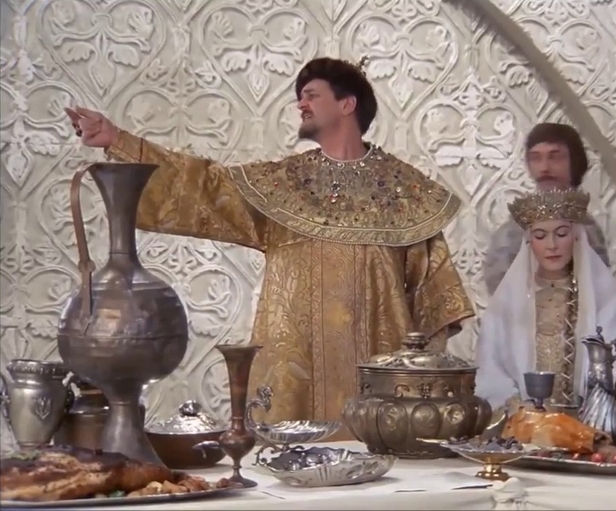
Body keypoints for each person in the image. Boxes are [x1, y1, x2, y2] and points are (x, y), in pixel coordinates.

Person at [65, 57, 475, 424]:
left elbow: (435, 299)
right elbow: (204, 188)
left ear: (347, 104)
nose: (301, 104)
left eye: (311, 95)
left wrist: (423, 393)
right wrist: (117, 140)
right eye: (300, 97)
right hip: (293, 384)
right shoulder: (283, 184)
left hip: (380, 393)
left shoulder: (407, 193)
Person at [474, 188, 616, 416]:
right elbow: (491, 371)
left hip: (588, 418)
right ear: (529, 241)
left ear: (576, 236)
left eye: (561, 234)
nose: (552, 245)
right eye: (541, 236)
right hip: (524, 422)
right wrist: (520, 409)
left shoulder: (603, 294)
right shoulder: (507, 301)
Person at [483, 123, 610, 296]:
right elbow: (500, 286)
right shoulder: (514, 229)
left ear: (574, 161)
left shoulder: (588, 228)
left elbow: (600, 288)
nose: (544, 168)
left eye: (555, 157)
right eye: (536, 158)